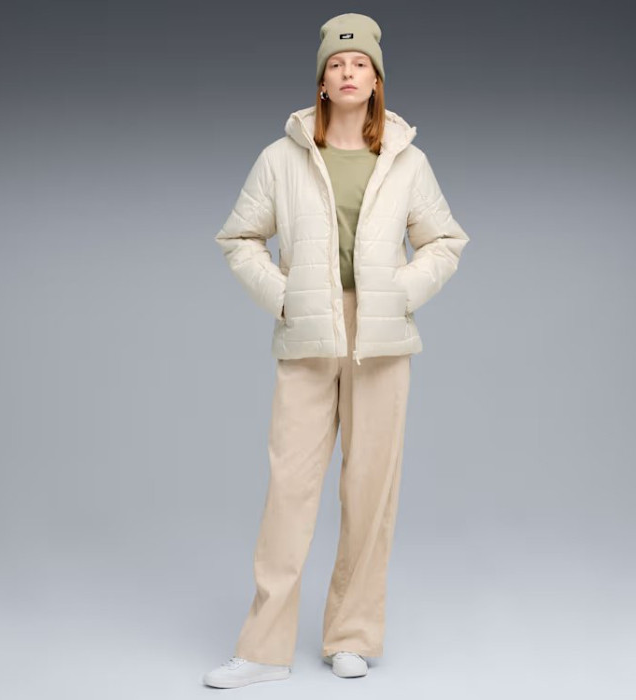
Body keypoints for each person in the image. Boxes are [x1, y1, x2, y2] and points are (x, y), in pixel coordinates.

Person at [203, 12, 470, 689]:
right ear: (321, 82)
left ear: (377, 81)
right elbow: (239, 237)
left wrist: (402, 292)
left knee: (370, 489)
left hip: (380, 338)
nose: (348, 72)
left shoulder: (406, 161)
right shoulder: (282, 158)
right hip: (308, 334)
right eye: (336, 63)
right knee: (289, 489)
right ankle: (263, 649)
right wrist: (285, 297)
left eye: (360, 64)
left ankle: (351, 636)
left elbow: (445, 241)